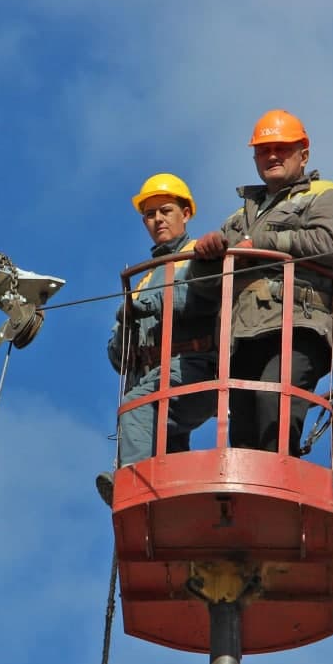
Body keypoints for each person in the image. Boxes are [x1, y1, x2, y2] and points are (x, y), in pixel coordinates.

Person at [190, 109, 333, 455]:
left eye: (282, 148)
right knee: (244, 433)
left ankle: (280, 474)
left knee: (275, 406)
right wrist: (204, 259)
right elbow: (205, 286)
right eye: (264, 150)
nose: (272, 156)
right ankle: (250, 500)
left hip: (298, 324)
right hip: (243, 334)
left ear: (303, 154)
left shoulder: (325, 195)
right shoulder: (239, 219)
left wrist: (263, 244)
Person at [97, 173, 218, 506]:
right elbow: (116, 357)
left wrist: (150, 304)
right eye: (150, 215)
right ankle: (170, 506)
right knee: (169, 455)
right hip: (155, 375)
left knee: (136, 410)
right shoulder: (147, 277)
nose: (158, 220)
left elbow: (195, 298)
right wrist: (125, 324)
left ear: (186, 213)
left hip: (194, 366)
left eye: (166, 210)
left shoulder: (199, 256)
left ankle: (133, 486)